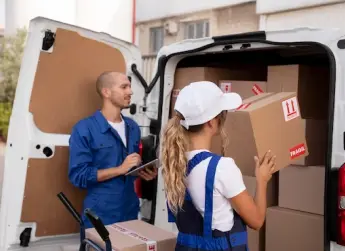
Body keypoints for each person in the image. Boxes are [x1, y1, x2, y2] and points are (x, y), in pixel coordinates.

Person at [160, 81, 276, 251]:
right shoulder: (221, 167)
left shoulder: (172, 163)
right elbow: (256, 220)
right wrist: (262, 179)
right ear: (211, 123)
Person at [68, 71, 158, 228]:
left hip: (130, 211)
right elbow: (78, 176)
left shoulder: (133, 127)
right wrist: (120, 169)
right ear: (106, 92)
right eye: (124, 87)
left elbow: (129, 169)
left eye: (129, 87)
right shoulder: (84, 129)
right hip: (101, 215)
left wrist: (143, 173)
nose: (130, 92)